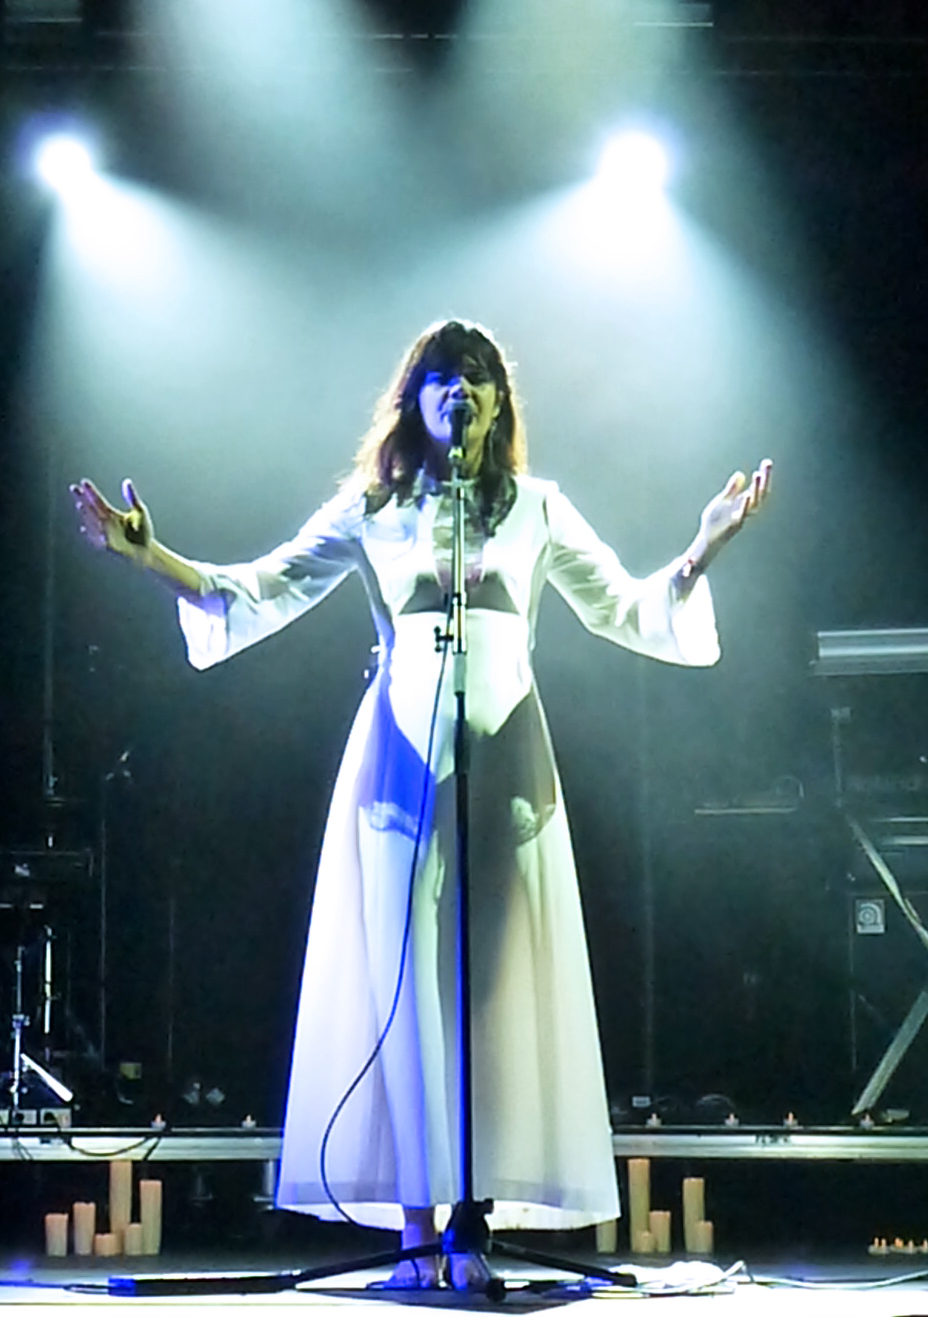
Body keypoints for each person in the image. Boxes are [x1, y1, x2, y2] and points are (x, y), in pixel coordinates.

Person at [71, 319, 770, 1289]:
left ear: (498, 402)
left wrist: (698, 552)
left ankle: (470, 1223)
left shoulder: (536, 509)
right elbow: (261, 589)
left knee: (491, 993)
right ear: (415, 400)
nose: (461, 392)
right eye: (443, 377)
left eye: (477, 377)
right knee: (407, 995)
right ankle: (412, 1232)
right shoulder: (373, 509)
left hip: (507, 768)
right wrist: (154, 560)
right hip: (398, 769)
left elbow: (621, 607)